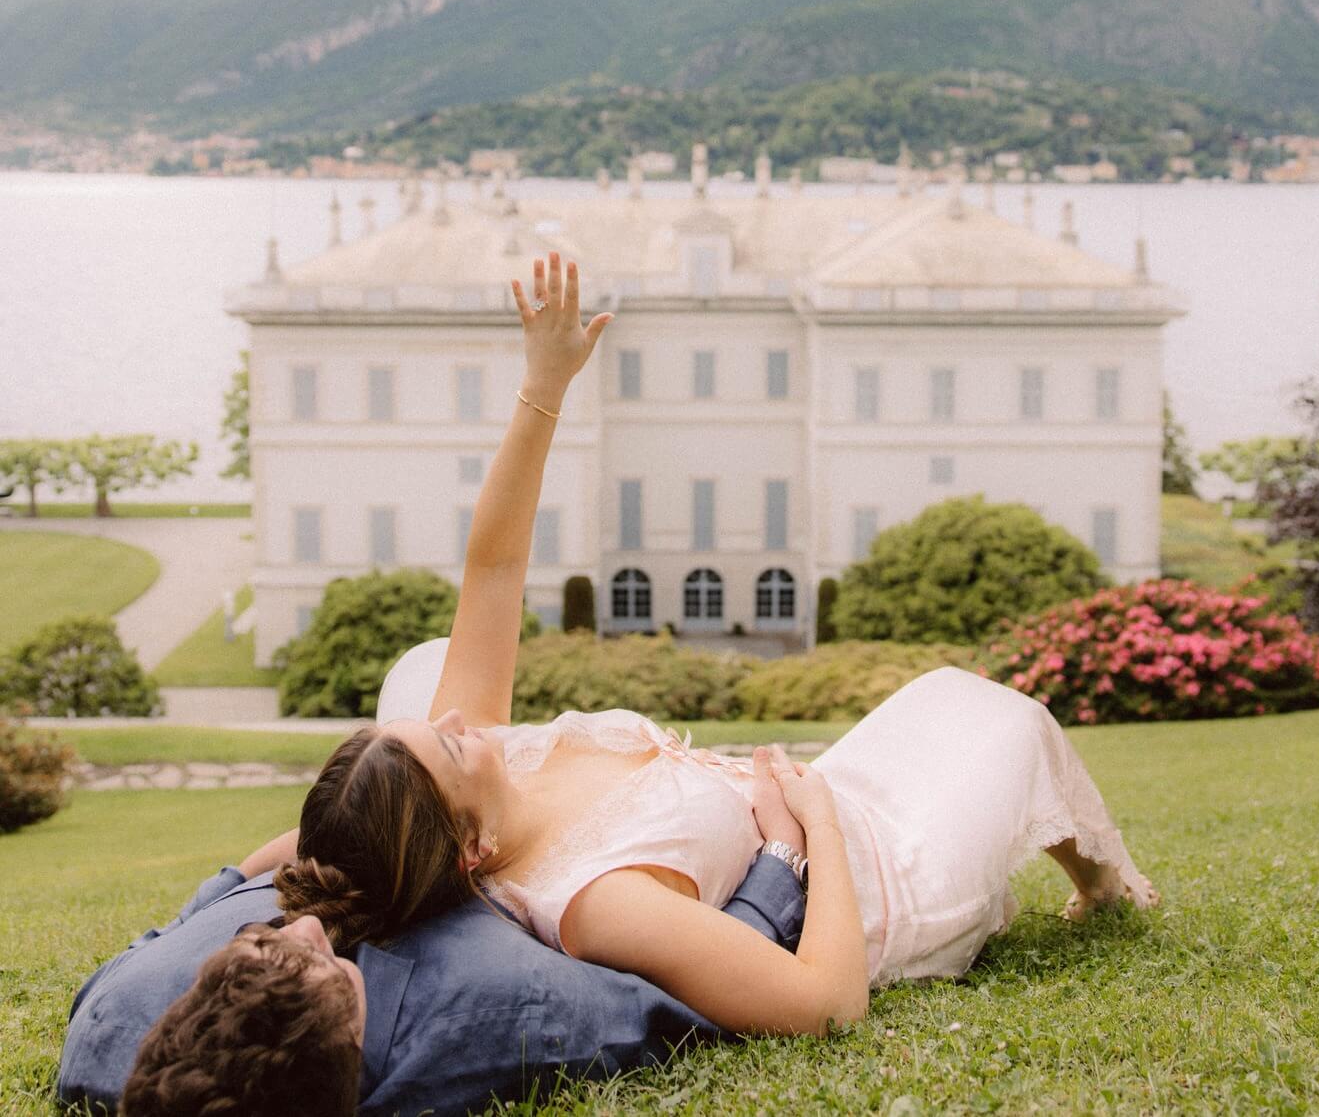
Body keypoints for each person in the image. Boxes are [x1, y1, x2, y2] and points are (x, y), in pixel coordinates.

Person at [279, 251, 1158, 1040]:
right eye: (446, 744)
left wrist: (544, 383)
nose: (461, 721)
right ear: (466, 851)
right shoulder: (598, 903)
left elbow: (496, 562)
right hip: (880, 877)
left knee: (945, 692)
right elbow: (825, 1003)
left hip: (833, 794)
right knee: (1009, 722)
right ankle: (1106, 892)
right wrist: (815, 827)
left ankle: (1092, 884)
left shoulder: (482, 777)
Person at [59, 773, 808, 1114]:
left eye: (269, 938)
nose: (311, 925)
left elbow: (211, 903)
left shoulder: (107, 1032)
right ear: (353, 1058)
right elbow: (696, 996)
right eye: (326, 966)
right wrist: (784, 852)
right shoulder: (495, 1010)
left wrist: (342, 837)